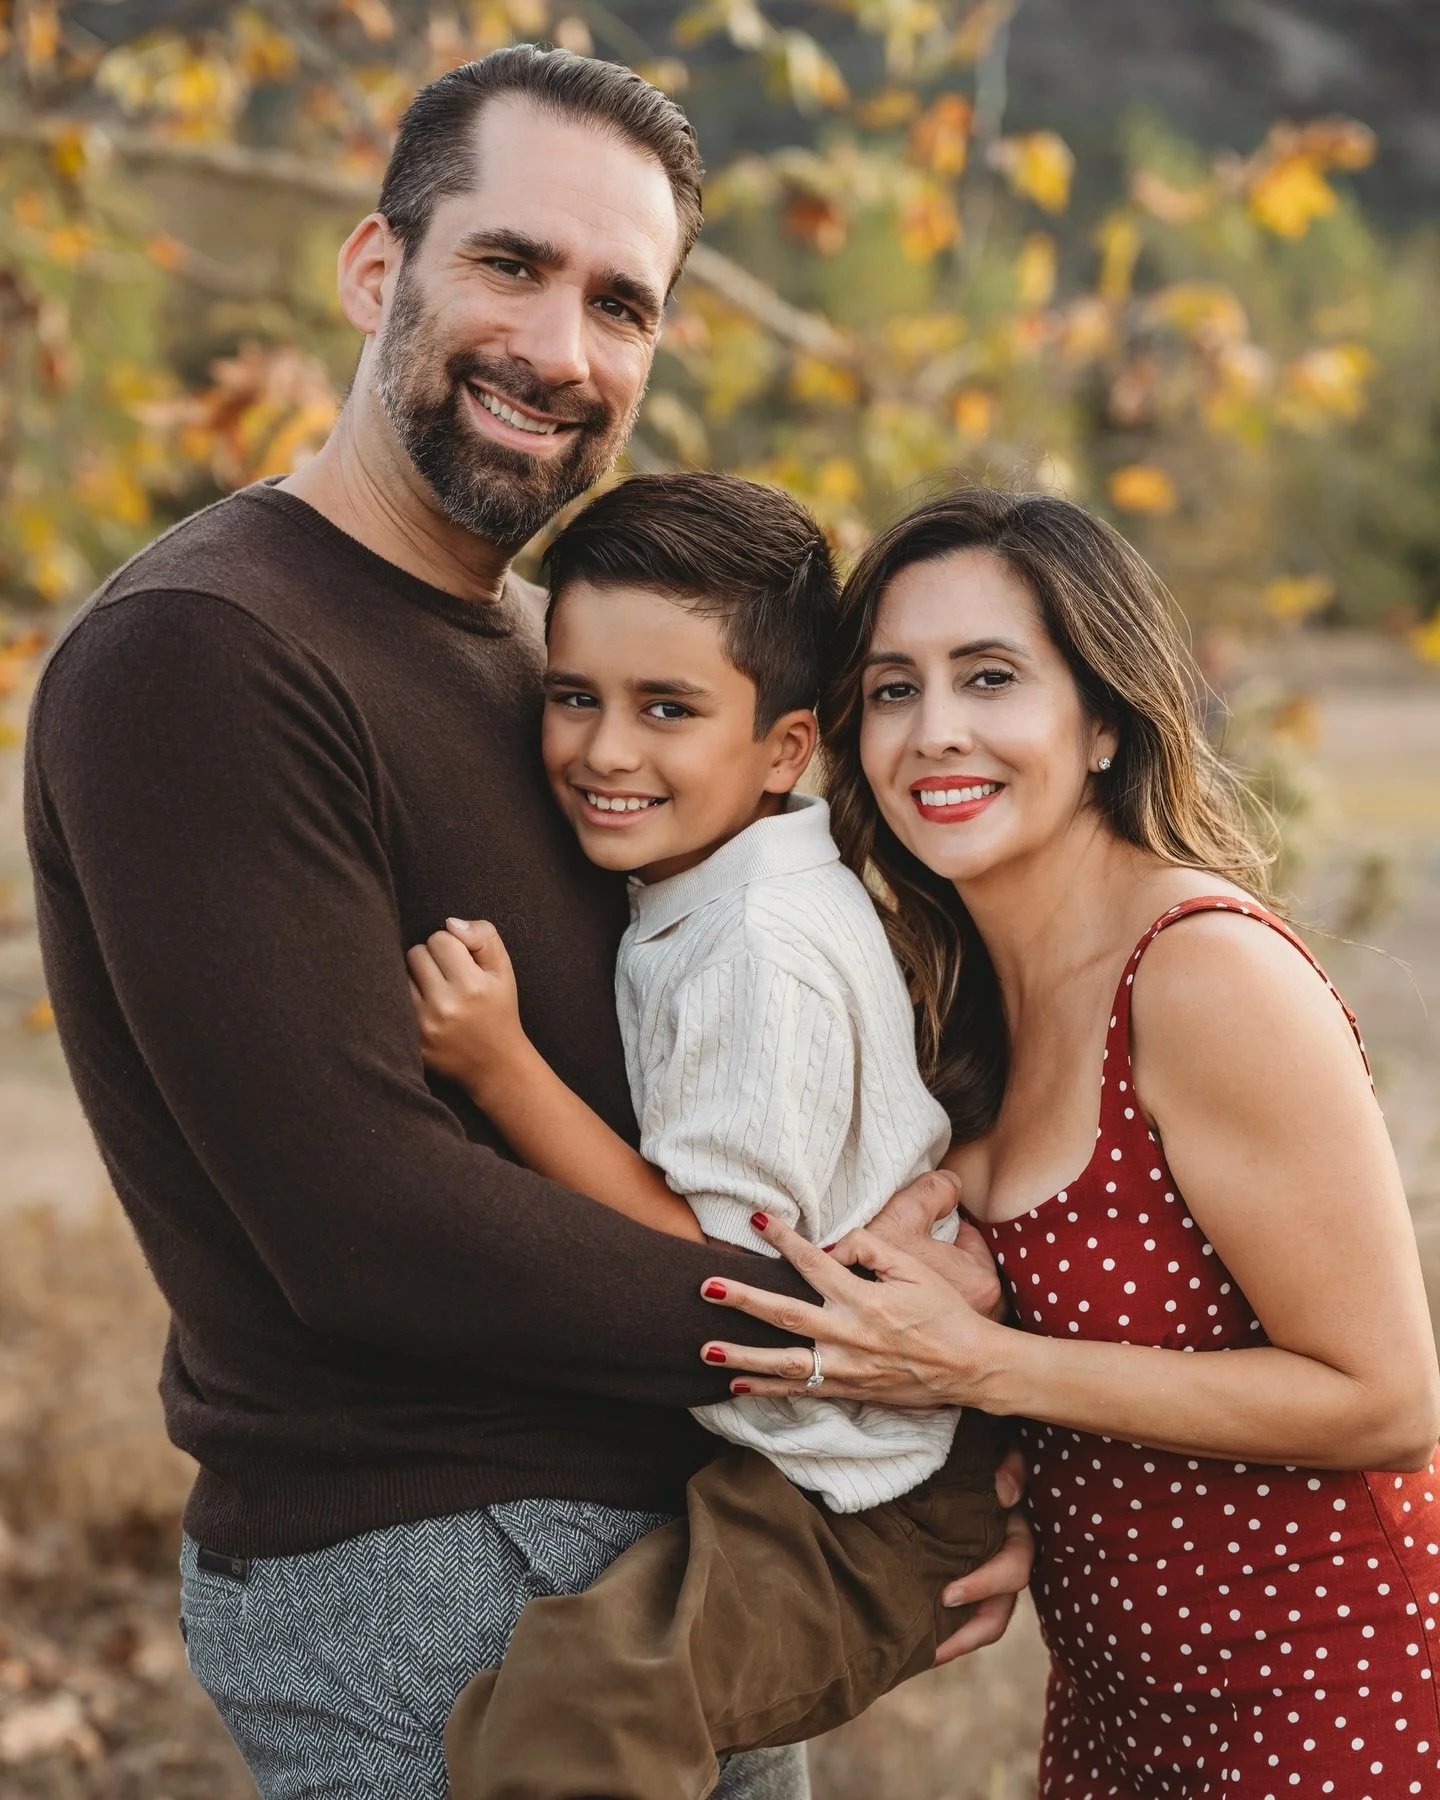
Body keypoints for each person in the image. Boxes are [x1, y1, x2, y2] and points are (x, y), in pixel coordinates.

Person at [24, 51, 1027, 1800]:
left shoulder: (570, 668)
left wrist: (921, 1442)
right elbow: (366, 1224)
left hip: (684, 1534)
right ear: (373, 267)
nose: (562, 350)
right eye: (510, 264)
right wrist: (872, 1363)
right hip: (432, 1562)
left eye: (620, 303)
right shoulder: (208, 653)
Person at [701, 487, 1440, 1798]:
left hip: (1335, 1693)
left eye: (990, 678)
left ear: (1101, 720)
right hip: (1117, 1707)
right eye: (892, 689)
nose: (936, 732)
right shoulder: (962, 1001)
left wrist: (987, 1366)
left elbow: (1385, 1401)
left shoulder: (1200, 973)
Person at [406, 471, 1006, 1800]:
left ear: (786, 748)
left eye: (667, 710)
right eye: (577, 698)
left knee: (582, 1724)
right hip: (814, 1469)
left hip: (870, 1499)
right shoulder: (718, 879)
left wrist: (502, 1070)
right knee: (553, 1696)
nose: (607, 751)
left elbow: (705, 1271)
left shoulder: (759, 950)